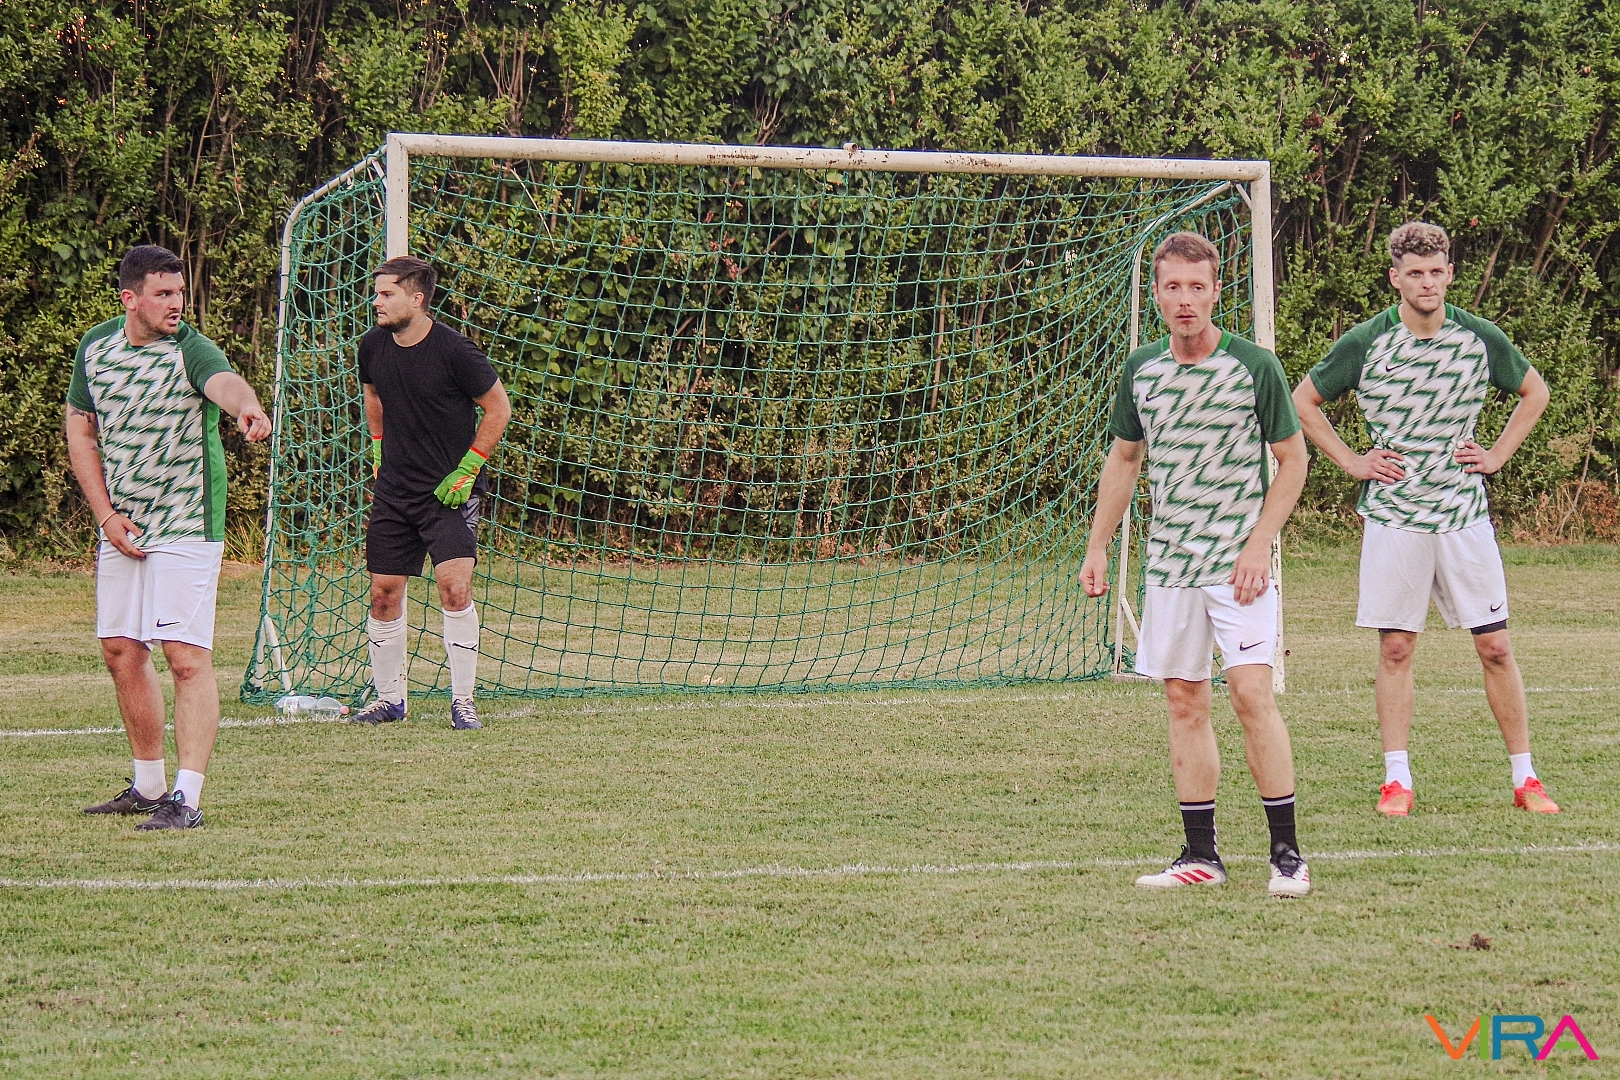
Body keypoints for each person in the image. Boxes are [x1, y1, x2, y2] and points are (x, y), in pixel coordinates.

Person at [1292, 221, 1557, 816]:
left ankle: (1526, 779)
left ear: (1450, 274)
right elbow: (1303, 400)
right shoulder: (1367, 341)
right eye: (1415, 273)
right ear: (1396, 278)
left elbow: (1535, 393)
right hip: (1395, 516)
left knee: (1496, 645)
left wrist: (1497, 455)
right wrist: (1353, 461)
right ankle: (1397, 781)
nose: (1427, 282)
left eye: (1437, 271)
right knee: (1396, 648)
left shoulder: (1478, 336)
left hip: (1463, 514)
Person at [1080, 232, 1312, 897]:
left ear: (1216, 292)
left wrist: (1259, 544)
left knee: (1251, 695)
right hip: (1170, 566)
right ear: (1157, 294)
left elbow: (1293, 461)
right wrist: (1098, 545)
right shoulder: (1141, 370)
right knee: (1184, 701)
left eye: (1197, 287)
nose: (1185, 300)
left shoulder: (1254, 366)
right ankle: (1202, 856)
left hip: (1239, 567)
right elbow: (1125, 459)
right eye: (1173, 287)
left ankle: (1287, 855)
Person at [66, 244, 272, 830]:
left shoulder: (191, 348)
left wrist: (247, 407)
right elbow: (81, 432)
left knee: (185, 658)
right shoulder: (96, 348)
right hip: (123, 525)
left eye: (179, 292)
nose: (176, 303)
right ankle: (149, 785)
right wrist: (106, 516)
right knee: (121, 651)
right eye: (163, 294)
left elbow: (225, 383)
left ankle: (188, 798)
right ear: (130, 299)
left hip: (187, 522)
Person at [350, 256, 511, 730]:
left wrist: (468, 468)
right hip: (394, 491)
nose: (376, 301)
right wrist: (378, 447)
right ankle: (389, 700)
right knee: (383, 594)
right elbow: (373, 395)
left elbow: (498, 408)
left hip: (449, 492)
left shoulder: (456, 351)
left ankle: (463, 702)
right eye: (376, 293)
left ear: (417, 298)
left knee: (455, 589)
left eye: (387, 294)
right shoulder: (372, 346)